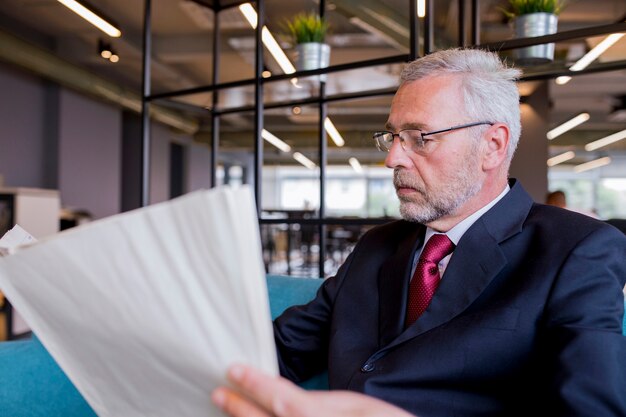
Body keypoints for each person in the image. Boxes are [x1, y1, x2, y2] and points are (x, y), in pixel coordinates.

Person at [218, 48, 626, 417]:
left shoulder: (577, 250)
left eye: (419, 138)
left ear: (493, 145)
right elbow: (279, 350)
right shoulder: (378, 246)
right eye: (393, 137)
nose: (393, 157)